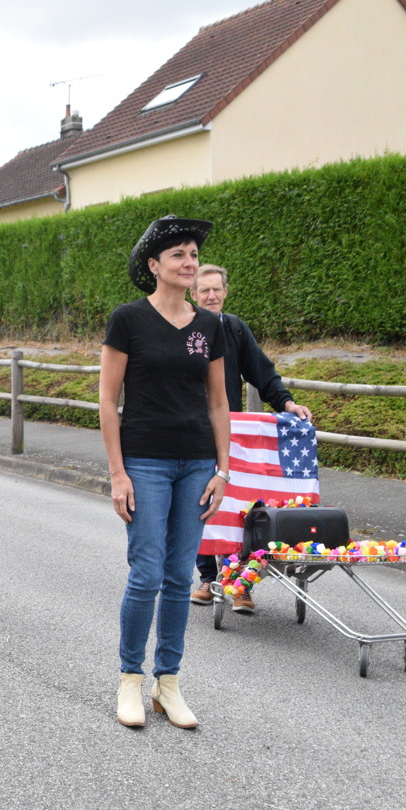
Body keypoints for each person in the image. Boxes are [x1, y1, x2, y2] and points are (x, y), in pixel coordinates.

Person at [99, 215, 230, 731]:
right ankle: (130, 678)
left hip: (197, 463)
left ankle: (167, 683)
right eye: (178, 255)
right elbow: (108, 401)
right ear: (154, 265)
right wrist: (118, 473)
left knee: (179, 576)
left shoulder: (209, 326)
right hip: (145, 462)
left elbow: (218, 402)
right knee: (147, 573)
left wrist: (223, 470)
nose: (189, 262)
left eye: (193, 254)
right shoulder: (128, 319)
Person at [189, 264, 313, 612]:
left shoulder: (234, 330)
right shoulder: (183, 329)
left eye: (216, 289)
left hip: (229, 433)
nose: (211, 296)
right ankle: (207, 578)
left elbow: (262, 372)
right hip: (191, 433)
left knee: (240, 508)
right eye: (204, 290)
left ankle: (240, 583)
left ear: (225, 292)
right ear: (193, 294)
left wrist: (288, 404)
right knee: (202, 505)